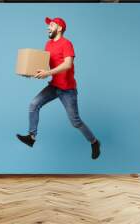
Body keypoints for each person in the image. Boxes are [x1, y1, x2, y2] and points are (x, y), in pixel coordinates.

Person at [16, 17, 101, 160]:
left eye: (51, 25)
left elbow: (67, 64)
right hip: (54, 85)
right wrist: (30, 72)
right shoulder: (48, 44)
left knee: (75, 122)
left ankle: (94, 142)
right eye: (48, 25)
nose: (48, 27)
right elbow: (45, 65)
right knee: (33, 104)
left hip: (67, 89)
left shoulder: (66, 44)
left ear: (59, 28)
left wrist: (48, 73)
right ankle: (31, 137)